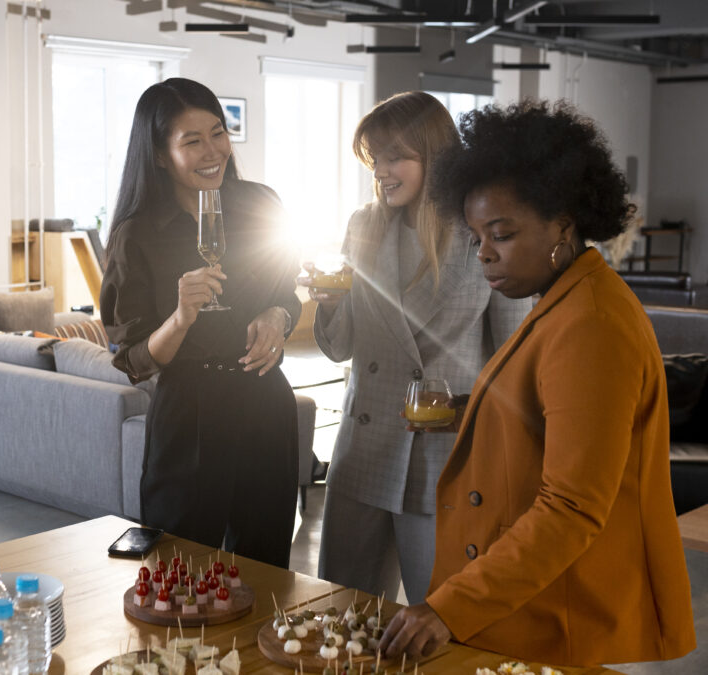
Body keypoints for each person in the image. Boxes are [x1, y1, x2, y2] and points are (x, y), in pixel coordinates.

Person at [378, 100, 697, 666]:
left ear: (563, 226)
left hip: (559, 609)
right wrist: (470, 407)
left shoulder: (592, 324)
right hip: (535, 597)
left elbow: (572, 506)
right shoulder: (567, 296)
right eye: (477, 237)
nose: (485, 254)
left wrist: (450, 607)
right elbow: (545, 410)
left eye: (501, 234)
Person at [298, 92, 531, 604]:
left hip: (442, 459)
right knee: (340, 615)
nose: (381, 171)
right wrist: (331, 303)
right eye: (374, 159)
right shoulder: (364, 226)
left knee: (437, 623)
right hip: (364, 453)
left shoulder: (481, 236)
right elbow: (339, 348)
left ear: (436, 155)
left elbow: (516, 359)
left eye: (394, 157)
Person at [100, 78, 301, 568]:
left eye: (218, 133)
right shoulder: (137, 235)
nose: (214, 152)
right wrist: (181, 317)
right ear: (161, 154)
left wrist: (278, 315)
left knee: (267, 566)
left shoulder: (262, 203)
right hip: (190, 416)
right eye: (192, 141)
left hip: (265, 401)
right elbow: (136, 360)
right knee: (182, 568)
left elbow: (286, 293)